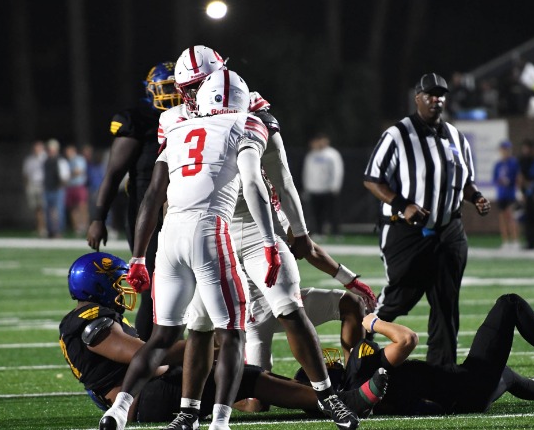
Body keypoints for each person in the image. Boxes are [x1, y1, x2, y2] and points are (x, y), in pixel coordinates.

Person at [165, 49, 369, 430]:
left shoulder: (251, 113)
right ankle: (188, 412)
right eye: (187, 88)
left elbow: (279, 178)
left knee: (288, 304)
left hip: (253, 228)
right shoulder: (176, 120)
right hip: (210, 231)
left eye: (196, 86)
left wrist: (298, 233)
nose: (190, 96)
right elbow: (170, 189)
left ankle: (329, 398)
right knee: (199, 322)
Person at [99, 69, 284, 430]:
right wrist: (268, 242)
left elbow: (153, 195)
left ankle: (119, 409)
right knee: (231, 334)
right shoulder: (246, 123)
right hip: (209, 230)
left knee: (161, 337)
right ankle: (219, 422)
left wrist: (138, 256)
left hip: (170, 235)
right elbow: (252, 183)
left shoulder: (177, 126)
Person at [60, 252, 387, 425]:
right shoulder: (89, 321)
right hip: (145, 400)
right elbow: (143, 355)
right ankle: (340, 403)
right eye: (117, 284)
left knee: (244, 374)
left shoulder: (95, 318)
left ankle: (328, 399)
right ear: (97, 286)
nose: (124, 290)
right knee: (244, 376)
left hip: (150, 393)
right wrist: (207, 344)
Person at [363, 72, 490, 366]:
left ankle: (441, 371)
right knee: (399, 297)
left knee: (446, 301)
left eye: (441, 95)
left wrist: (476, 197)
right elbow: (372, 178)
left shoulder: (456, 137)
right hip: (407, 230)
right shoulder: (398, 134)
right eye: (430, 95)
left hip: (450, 230)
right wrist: (403, 205)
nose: (436, 100)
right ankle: (358, 347)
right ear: (417, 98)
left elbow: (465, 181)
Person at [330, 293, 534, 416]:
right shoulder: (359, 371)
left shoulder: (358, 387)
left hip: (464, 397)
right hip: (466, 384)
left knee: (505, 375)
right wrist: (375, 323)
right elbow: (407, 339)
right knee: (509, 304)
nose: (328, 361)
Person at [86, 62, 181, 341]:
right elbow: (113, 173)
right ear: (150, 90)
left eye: (175, 88)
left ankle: (173, 351)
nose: (171, 95)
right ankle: (145, 353)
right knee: (156, 287)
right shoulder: (138, 120)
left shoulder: (192, 117)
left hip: (183, 210)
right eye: (165, 88)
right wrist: (98, 218)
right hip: (146, 213)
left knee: (185, 288)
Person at [301, 132, 345, 237]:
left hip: (328, 189)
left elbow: (338, 171)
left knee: (332, 212)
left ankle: (336, 232)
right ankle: (319, 232)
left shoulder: (333, 154)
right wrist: (307, 187)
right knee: (316, 213)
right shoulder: (311, 155)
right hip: (314, 189)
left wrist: (335, 186)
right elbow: (306, 172)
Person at [492, 140, 520, 250]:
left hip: (510, 193)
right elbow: (495, 178)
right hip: (501, 194)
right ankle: (505, 240)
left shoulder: (513, 163)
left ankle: (515, 240)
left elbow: (516, 176)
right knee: (502, 218)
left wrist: (509, 182)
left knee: (511, 216)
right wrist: (500, 182)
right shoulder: (498, 164)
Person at [43, 139, 70, 238]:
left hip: (57, 189)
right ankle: (50, 231)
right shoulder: (46, 161)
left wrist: (60, 186)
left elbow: (65, 176)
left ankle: (59, 231)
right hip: (48, 188)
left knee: (58, 211)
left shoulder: (61, 161)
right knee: (47, 211)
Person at [22, 140, 47, 237]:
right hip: (32, 185)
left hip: (43, 185)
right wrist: (27, 185)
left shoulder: (46, 158)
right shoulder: (29, 160)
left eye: (39, 148)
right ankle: (40, 228)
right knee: (36, 208)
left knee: (43, 208)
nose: (37, 150)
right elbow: (25, 174)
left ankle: (45, 228)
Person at [65, 144, 89, 236]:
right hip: (70, 186)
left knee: (82, 206)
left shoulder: (79, 159)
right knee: (72, 208)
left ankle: (85, 226)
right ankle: (77, 227)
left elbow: (79, 171)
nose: (67, 153)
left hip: (79, 185)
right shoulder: (67, 161)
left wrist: (68, 174)